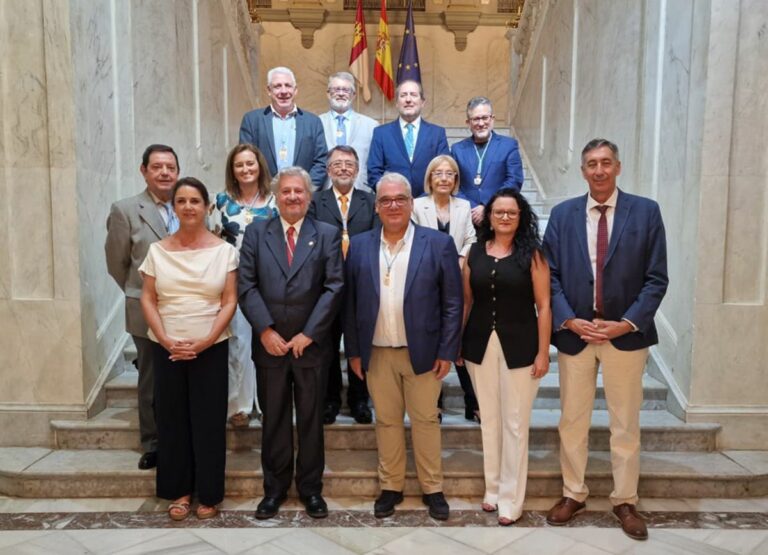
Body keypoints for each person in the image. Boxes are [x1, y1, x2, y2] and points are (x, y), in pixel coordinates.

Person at [542, 138, 668, 541]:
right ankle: (573, 493)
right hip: (577, 336)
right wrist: (570, 321)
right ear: (583, 170)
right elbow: (551, 277)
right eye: (592, 163)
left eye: (606, 163)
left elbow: (656, 279)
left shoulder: (646, 212)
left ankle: (624, 500)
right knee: (572, 419)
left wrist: (626, 323)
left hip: (625, 337)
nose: (599, 170)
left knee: (625, 422)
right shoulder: (562, 216)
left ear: (618, 167)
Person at [344, 173, 463, 521]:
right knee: (387, 421)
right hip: (377, 352)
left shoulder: (437, 244)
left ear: (412, 203)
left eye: (400, 198)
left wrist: (446, 350)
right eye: (385, 200)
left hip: (423, 352)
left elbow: (453, 303)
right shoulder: (361, 245)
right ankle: (391, 486)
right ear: (377, 206)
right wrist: (353, 351)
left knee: (426, 420)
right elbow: (349, 304)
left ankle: (432, 488)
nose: (393, 205)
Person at [239, 167, 344, 520]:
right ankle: (275, 490)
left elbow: (334, 287)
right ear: (276, 196)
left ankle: (311, 490)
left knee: (312, 421)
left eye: (299, 191)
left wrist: (309, 333)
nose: (293, 197)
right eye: (286, 192)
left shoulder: (327, 234)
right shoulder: (256, 233)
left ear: (309, 196)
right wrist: (265, 330)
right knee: (274, 420)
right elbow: (246, 285)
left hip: (310, 347)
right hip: (270, 347)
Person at [138, 177, 239, 521]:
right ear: (174, 207)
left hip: (210, 346)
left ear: (207, 206)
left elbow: (229, 301)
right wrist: (165, 339)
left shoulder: (225, 251)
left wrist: (208, 339)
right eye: (181, 201)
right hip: (167, 346)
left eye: (195, 201)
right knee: (172, 420)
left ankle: (209, 494)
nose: (188, 207)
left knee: (209, 421)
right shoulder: (157, 250)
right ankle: (178, 490)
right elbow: (148, 298)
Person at [461, 188, 551, 525]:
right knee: (490, 420)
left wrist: (544, 352)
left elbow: (544, 306)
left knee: (515, 423)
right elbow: (468, 301)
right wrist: (458, 340)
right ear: (489, 216)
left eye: (511, 212)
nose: (504, 217)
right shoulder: (474, 252)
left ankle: (512, 498)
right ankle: (493, 488)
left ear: (521, 216)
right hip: (480, 345)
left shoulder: (534, 255)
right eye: (499, 211)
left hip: (522, 348)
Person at [105, 144, 180, 470]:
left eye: (170, 167)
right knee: (151, 378)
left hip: (185, 308)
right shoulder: (125, 210)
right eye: (157, 167)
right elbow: (117, 263)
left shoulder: (188, 204)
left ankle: (182, 436)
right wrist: (139, 294)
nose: (164, 173)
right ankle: (153, 443)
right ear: (144, 170)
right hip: (144, 308)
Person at [308, 145, 377, 425]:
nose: (343, 168)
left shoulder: (370, 200)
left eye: (349, 163)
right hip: (326, 286)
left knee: (359, 346)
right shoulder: (316, 201)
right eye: (337, 164)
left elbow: (376, 240)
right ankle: (330, 400)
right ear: (328, 170)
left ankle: (360, 400)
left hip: (362, 286)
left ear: (358, 169)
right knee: (326, 347)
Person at [210, 144, 277, 428]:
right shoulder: (221, 201)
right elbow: (211, 241)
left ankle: (267, 402)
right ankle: (239, 405)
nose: (246, 169)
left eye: (250, 163)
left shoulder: (275, 201)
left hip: (268, 282)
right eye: (239, 165)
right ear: (232, 170)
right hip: (232, 279)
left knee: (267, 342)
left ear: (259, 166)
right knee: (238, 342)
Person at [411, 155, 479, 423]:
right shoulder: (417, 205)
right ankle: (433, 403)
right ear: (429, 178)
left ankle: (472, 401)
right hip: (424, 279)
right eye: (438, 173)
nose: (443, 178)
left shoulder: (463, 205)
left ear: (456, 180)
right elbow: (413, 238)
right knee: (431, 340)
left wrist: (461, 258)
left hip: (459, 277)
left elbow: (472, 238)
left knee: (460, 336)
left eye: (449, 174)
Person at [239, 67, 328, 189]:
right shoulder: (252, 120)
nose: (284, 91)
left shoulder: (313, 122)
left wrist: (305, 189)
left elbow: (321, 162)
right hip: (263, 197)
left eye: (288, 85)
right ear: (269, 90)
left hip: (302, 198)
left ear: (295, 90)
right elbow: (245, 160)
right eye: (277, 86)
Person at [367, 80, 450, 198]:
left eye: (413, 95)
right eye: (403, 95)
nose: (408, 100)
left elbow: (443, 171)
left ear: (422, 102)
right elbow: (374, 173)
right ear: (396, 102)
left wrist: (426, 198)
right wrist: (391, 195)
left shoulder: (437, 133)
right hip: (393, 203)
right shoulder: (381, 133)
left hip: (429, 202)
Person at [451, 97, 524, 226]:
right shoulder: (457, 149)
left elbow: (514, 180)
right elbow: (454, 184)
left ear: (492, 119)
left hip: (499, 217)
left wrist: (488, 206)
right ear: (468, 123)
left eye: (485, 118)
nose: (481, 123)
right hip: (466, 218)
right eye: (476, 119)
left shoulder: (508, 146)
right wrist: (472, 209)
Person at [319, 71, 378, 191]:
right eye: (336, 89)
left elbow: (375, 164)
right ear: (328, 94)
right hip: (324, 192)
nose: (341, 94)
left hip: (361, 192)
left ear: (354, 95)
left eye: (346, 90)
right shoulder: (316, 123)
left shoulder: (371, 126)